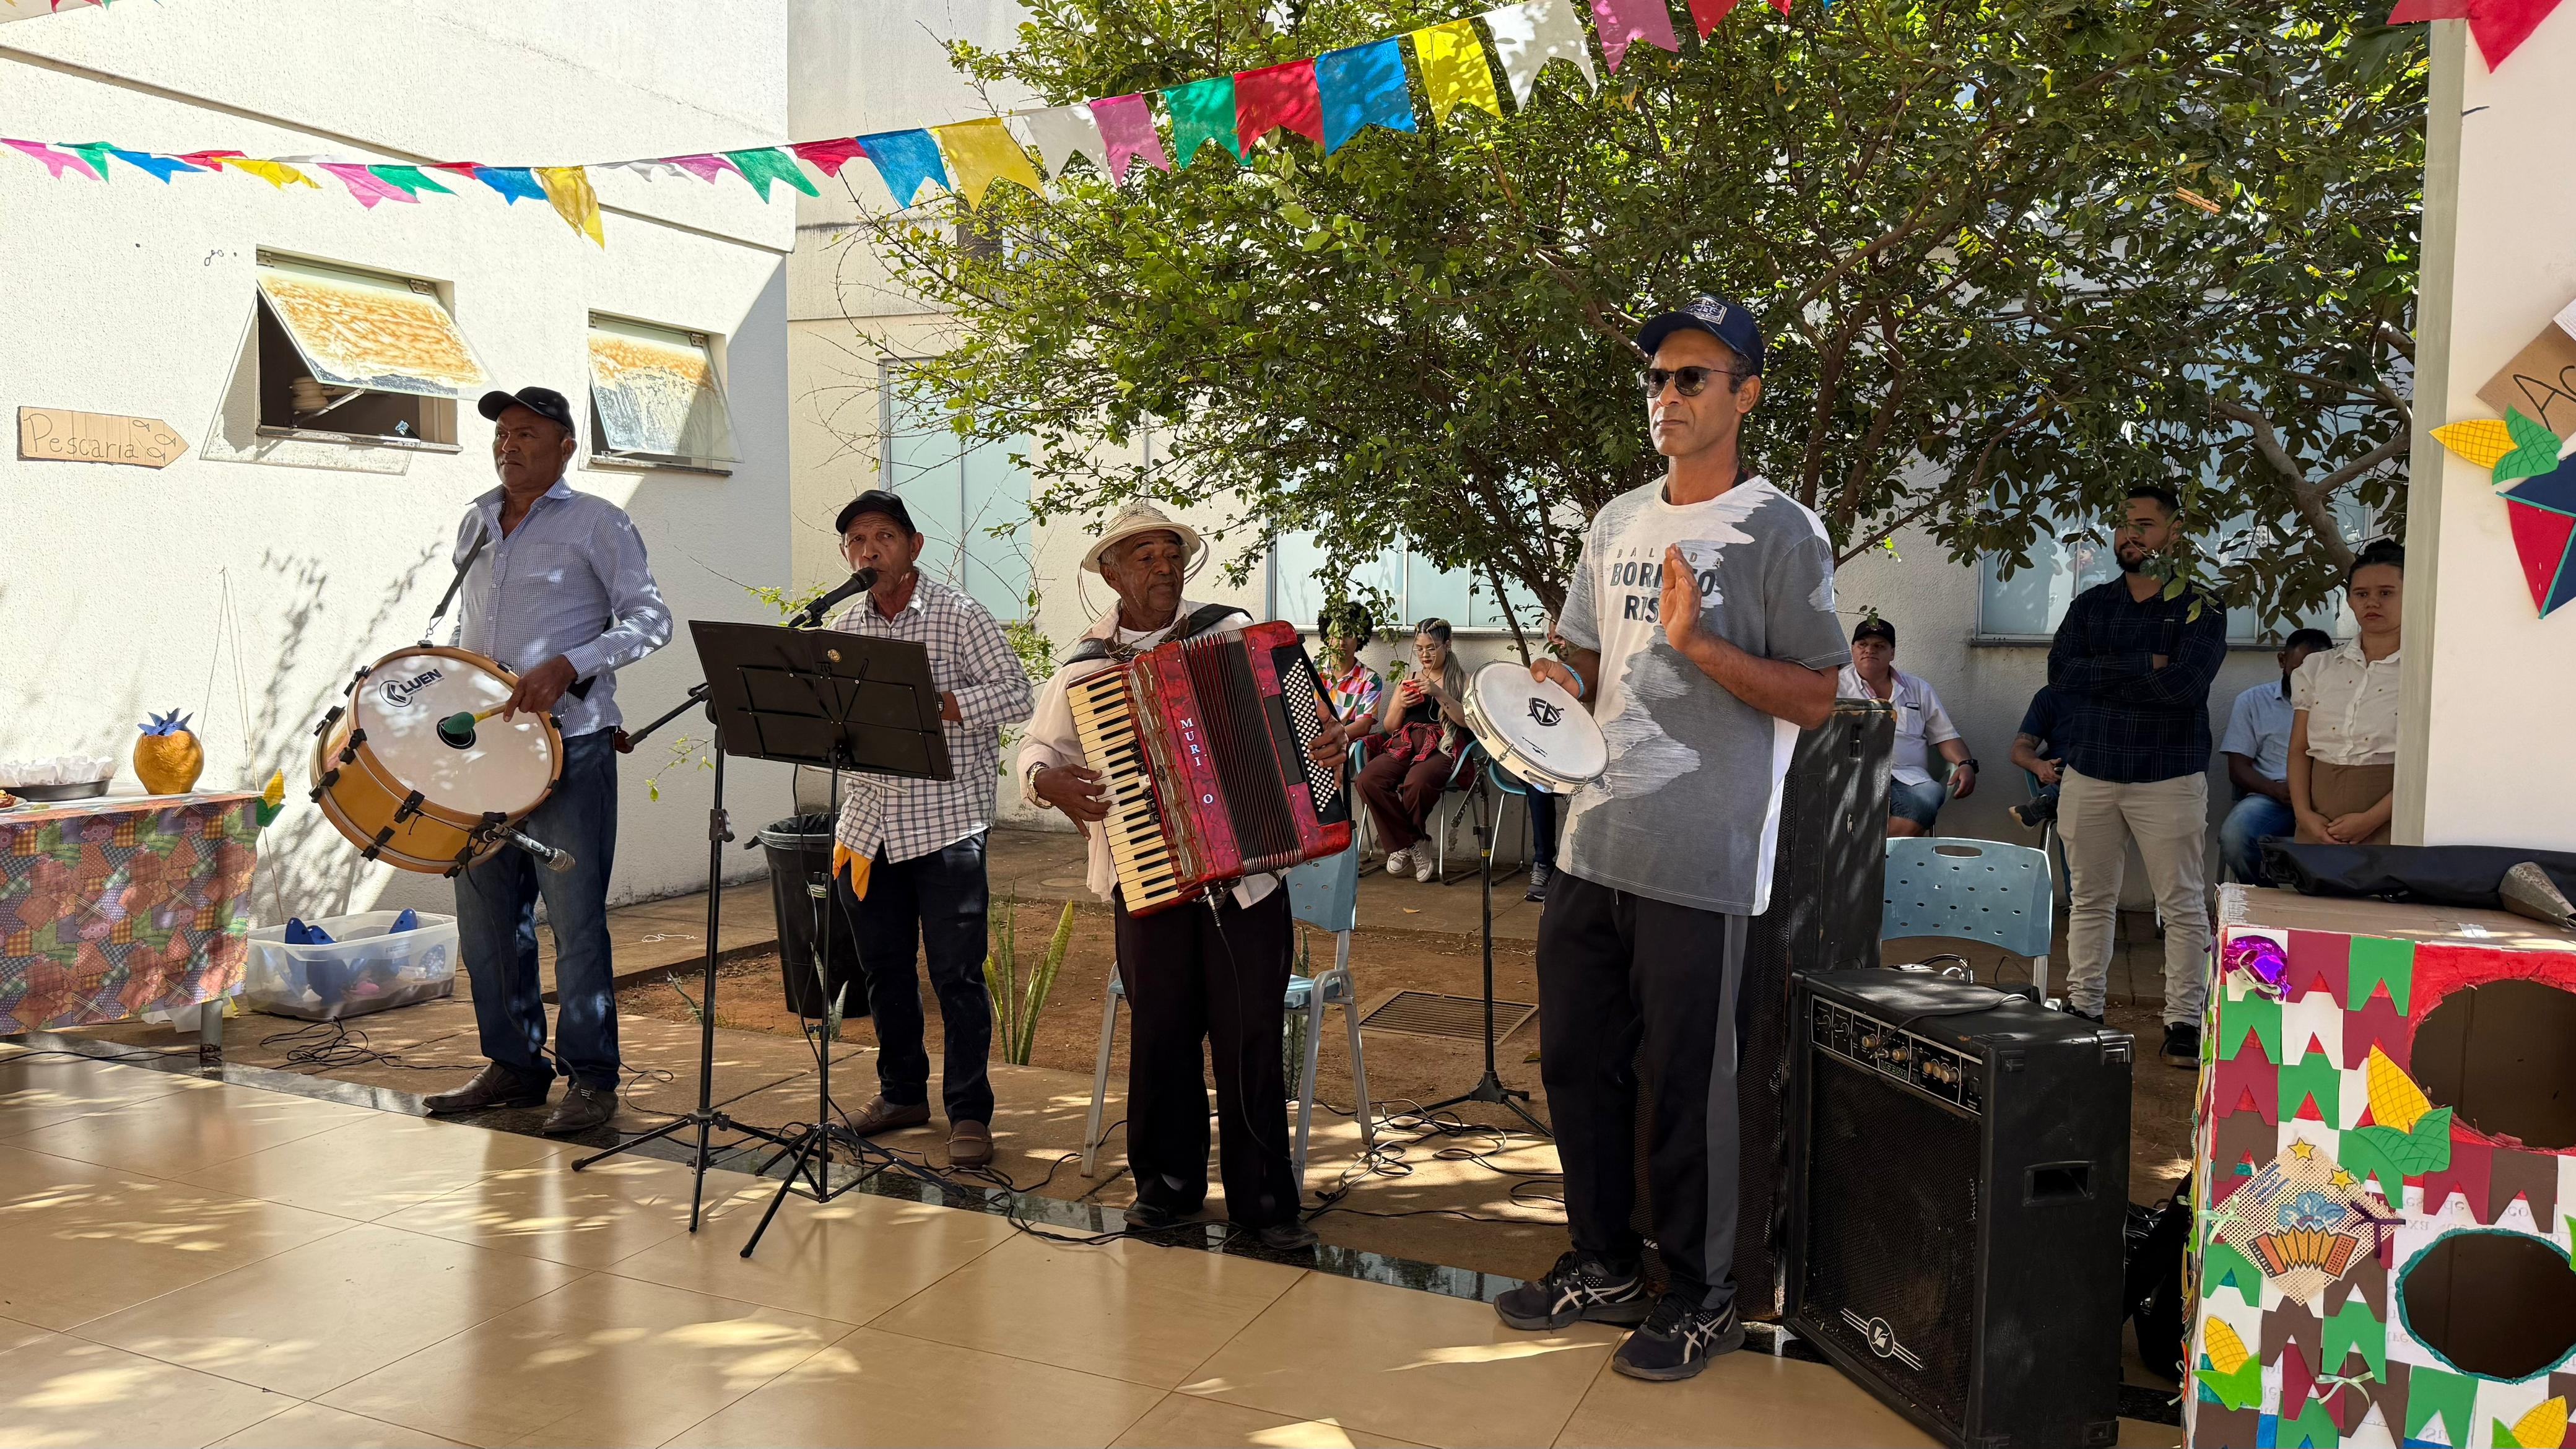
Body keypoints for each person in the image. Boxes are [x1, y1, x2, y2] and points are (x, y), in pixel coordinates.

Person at [1494, 294, 1847, 1382]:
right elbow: (1587, 661)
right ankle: (1602, 1262)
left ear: (1745, 392)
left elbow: (1818, 697)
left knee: (1690, 1084)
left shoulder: (1783, 529)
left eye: (1693, 377)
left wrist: (1698, 644)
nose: (1668, 396)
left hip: (1704, 854)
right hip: (1592, 845)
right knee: (1577, 1064)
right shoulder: (1615, 522)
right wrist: (1547, 686)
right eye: (1657, 378)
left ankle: (1701, 1296)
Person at [1017, 500, 1350, 1251]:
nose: (1162, 568)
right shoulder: (1084, 667)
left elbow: (1313, 733)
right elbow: (1035, 751)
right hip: (1147, 874)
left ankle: (1263, 1205)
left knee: (1251, 1037)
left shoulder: (1229, 633)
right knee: (1162, 1035)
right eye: (1143, 556)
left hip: (1248, 882)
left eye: (1171, 554)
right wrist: (1049, 783)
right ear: (1109, 571)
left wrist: (1326, 744)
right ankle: (1164, 1192)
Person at [426, 386, 671, 1134]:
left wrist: (571, 663)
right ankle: (513, 1065)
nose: (509, 444)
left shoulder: (600, 522)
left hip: (573, 747)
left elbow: (650, 619)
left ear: (565, 446)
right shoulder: (474, 521)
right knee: (488, 917)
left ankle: (592, 1079)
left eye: (527, 433)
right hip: (486, 755)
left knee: (574, 919)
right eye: (502, 433)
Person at [826, 490, 1035, 1168]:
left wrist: (941, 704)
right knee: (883, 969)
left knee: (955, 975)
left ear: (913, 547)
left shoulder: (957, 614)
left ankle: (969, 1113)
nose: (868, 550)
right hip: (868, 823)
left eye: (883, 536)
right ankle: (901, 1095)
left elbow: (1015, 692)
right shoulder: (848, 625)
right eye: (856, 540)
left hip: (944, 823)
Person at [2045, 484, 2227, 1068]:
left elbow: (2185, 687)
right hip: (2090, 771)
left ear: (2175, 532)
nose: (2131, 536)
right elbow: (2061, 676)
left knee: (2181, 903)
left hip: (2167, 774)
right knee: (2090, 897)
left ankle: (2183, 1023)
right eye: (2124, 526)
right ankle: (2084, 1008)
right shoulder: (2090, 605)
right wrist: (2143, 665)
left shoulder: (2202, 607)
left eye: (2145, 525)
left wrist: (2106, 674)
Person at [2291, 542, 2404, 846]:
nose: (2372, 603)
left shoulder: (2425, 673)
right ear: (2350, 600)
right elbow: (2299, 750)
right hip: (2319, 816)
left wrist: (2372, 819)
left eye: (2386, 593)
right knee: (2316, 893)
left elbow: (2428, 764)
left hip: (2391, 815)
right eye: (2362, 594)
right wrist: (2304, 815)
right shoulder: (2318, 667)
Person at [1837, 617, 1974, 836]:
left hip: (1908, 777)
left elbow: (1945, 735)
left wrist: (1965, 763)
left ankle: (1866, 858)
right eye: (1863, 645)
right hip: (1851, 777)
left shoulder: (1919, 689)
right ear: (1853, 650)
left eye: (1879, 646)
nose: (1869, 650)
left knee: (1927, 800)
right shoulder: (1834, 688)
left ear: (1892, 653)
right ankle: (1875, 861)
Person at [2217, 628, 2334, 884]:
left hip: (2330, 800)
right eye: (2299, 671)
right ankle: (2267, 902)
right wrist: (2275, 790)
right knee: (2236, 836)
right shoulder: (2253, 701)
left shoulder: (2344, 705)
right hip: (2274, 798)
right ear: (2282, 660)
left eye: (2317, 672)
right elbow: (2237, 768)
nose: (2308, 680)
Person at [1357, 619, 1469, 882]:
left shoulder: (1462, 680)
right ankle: (1413, 842)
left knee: (1417, 782)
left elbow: (1466, 721)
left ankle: (1402, 844)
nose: (1425, 655)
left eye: (1431, 648)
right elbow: (1390, 725)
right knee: (1368, 780)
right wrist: (1401, 704)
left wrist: (1438, 692)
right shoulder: (1410, 679)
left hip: (1443, 745)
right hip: (1406, 743)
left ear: (1448, 645)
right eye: (1419, 649)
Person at [1316, 603, 1384, 731]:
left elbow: (1364, 725)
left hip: (1343, 745)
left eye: (1348, 635)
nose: (1341, 642)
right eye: (1336, 635)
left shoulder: (1370, 680)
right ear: (1327, 637)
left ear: (1359, 638)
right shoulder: (1311, 670)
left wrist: (1332, 738)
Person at [2007, 685, 2064, 829]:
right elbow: (2019, 749)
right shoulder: (2051, 695)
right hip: (2063, 775)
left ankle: (2047, 801)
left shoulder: (2123, 692)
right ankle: (2049, 800)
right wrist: (2037, 765)